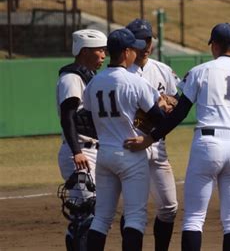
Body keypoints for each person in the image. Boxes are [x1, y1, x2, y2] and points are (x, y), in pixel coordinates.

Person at [123, 23, 230, 251]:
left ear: (214, 46)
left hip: (207, 144)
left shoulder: (201, 70)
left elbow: (178, 114)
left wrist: (151, 138)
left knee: (194, 219)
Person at [84, 28, 168, 251]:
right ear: (126, 52)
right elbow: (160, 119)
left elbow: (88, 114)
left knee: (101, 218)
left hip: (105, 154)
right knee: (135, 218)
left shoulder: (95, 82)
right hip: (131, 153)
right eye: (134, 49)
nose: (137, 52)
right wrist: (159, 112)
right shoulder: (134, 82)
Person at [125, 18, 179, 251]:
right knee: (133, 210)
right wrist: (149, 110)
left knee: (169, 207)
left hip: (158, 147)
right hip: (131, 146)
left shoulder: (162, 69)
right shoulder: (123, 71)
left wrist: (169, 103)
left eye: (149, 40)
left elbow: (177, 99)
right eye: (141, 41)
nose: (146, 46)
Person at [56, 29, 107, 250]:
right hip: (79, 152)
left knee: (88, 214)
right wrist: (77, 151)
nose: (104, 55)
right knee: (87, 214)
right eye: (100, 50)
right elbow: (68, 117)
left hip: (92, 151)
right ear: (85, 52)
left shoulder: (89, 77)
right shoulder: (71, 78)